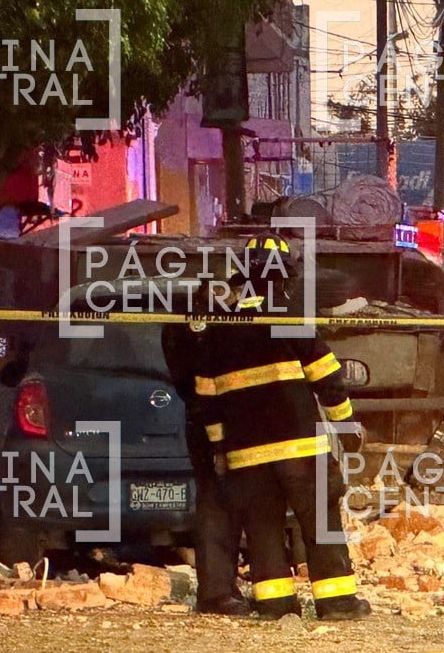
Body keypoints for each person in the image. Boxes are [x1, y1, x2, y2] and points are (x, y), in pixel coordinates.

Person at [193, 232, 371, 621]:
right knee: (319, 523)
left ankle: (275, 604)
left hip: (246, 457)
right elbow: (328, 378)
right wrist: (346, 427)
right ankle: (338, 603)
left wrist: (220, 448)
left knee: (262, 530)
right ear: (285, 277)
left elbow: (207, 398)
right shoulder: (290, 317)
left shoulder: (221, 329)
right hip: (299, 451)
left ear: (244, 277)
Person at [162, 305, 250, 617]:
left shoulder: (191, 320)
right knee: (217, 503)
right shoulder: (209, 320)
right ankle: (216, 593)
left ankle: (224, 589)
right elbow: (199, 382)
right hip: (216, 422)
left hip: (217, 420)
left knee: (226, 503)